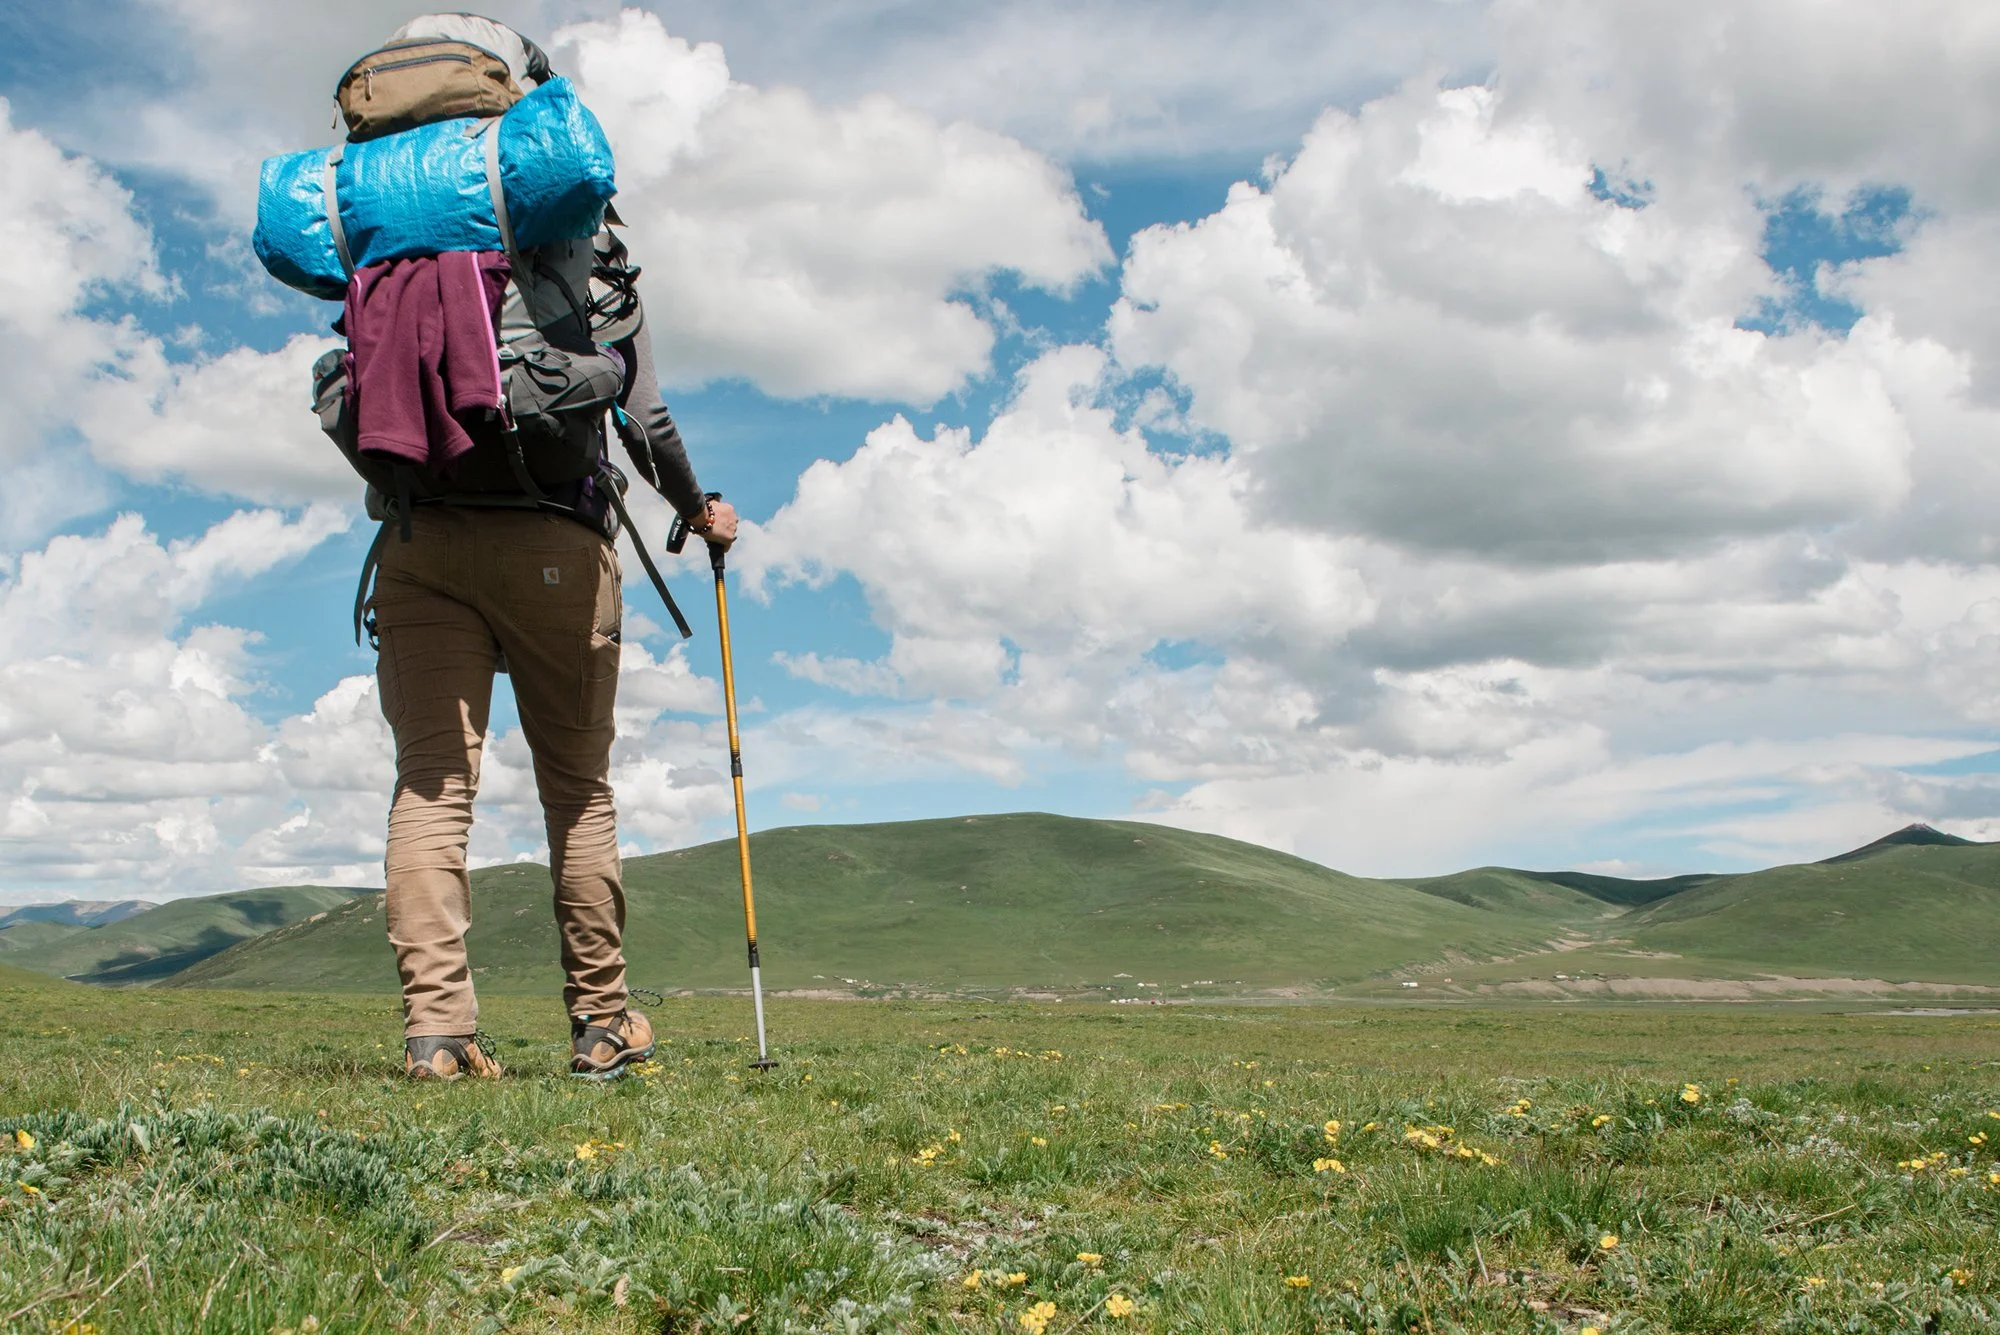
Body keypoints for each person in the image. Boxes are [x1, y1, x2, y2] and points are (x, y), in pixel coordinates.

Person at [340, 15, 739, 1080]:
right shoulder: (579, 235)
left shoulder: (382, 231)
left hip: (419, 541)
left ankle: (438, 1035)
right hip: (554, 542)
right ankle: (602, 1024)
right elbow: (644, 422)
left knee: (430, 787)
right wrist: (700, 510)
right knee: (579, 792)